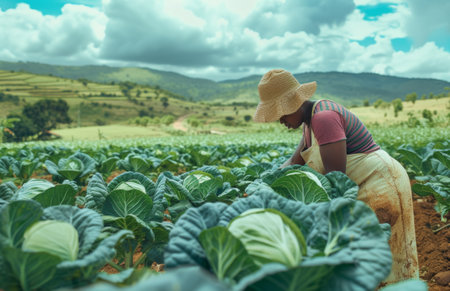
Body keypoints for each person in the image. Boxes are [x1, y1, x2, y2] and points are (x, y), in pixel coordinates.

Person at [253, 69, 419, 283]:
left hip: (382, 183)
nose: (281, 120)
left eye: (281, 113)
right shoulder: (309, 122)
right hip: (361, 185)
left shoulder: (324, 117)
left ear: (294, 103)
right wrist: (260, 187)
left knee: (390, 261)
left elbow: (335, 180)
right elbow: (293, 163)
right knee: (366, 262)